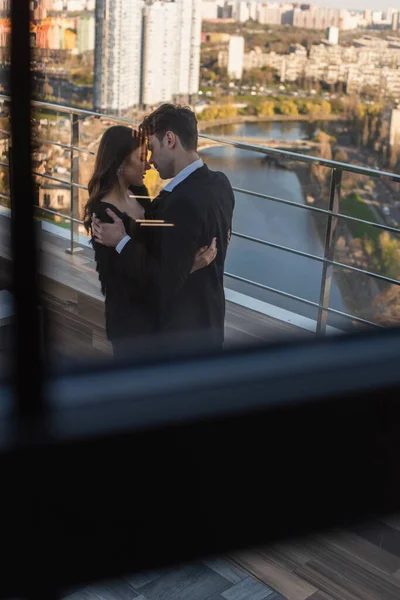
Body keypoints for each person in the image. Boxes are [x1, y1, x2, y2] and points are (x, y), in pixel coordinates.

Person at [92, 104, 235, 352]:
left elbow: (163, 278)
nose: (151, 160)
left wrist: (122, 241)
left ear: (169, 140)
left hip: (179, 336)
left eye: (152, 148)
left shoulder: (176, 204)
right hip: (211, 323)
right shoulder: (221, 185)